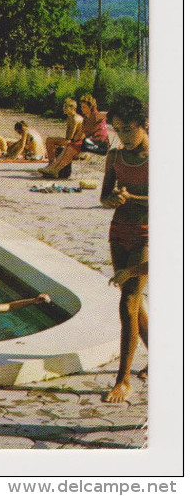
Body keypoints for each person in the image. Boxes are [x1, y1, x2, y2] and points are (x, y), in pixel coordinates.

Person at [100, 95, 149, 403]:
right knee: (132, 301)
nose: (122, 137)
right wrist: (113, 200)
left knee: (128, 301)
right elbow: (104, 196)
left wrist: (134, 199)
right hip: (119, 232)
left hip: (149, 232)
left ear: (145, 125)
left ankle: (124, 380)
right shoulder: (115, 155)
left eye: (128, 130)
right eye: (117, 130)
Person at [41, 95, 109, 177]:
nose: (82, 109)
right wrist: (72, 141)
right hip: (90, 143)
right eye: (81, 107)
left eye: (84, 107)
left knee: (71, 147)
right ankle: (53, 168)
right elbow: (80, 134)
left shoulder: (96, 115)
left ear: (90, 107)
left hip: (100, 144)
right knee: (69, 145)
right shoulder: (85, 120)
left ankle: (55, 169)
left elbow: (108, 114)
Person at [41, 97, 85, 177]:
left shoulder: (75, 119)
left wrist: (58, 142)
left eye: (65, 107)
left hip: (76, 142)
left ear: (72, 108)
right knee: (50, 140)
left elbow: (70, 137)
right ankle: (52, 164)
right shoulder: (69, 118)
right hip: (72, 140)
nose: (63, 109)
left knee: (49, 140)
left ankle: (51, 164)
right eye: (63, 106)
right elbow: (67, 136)